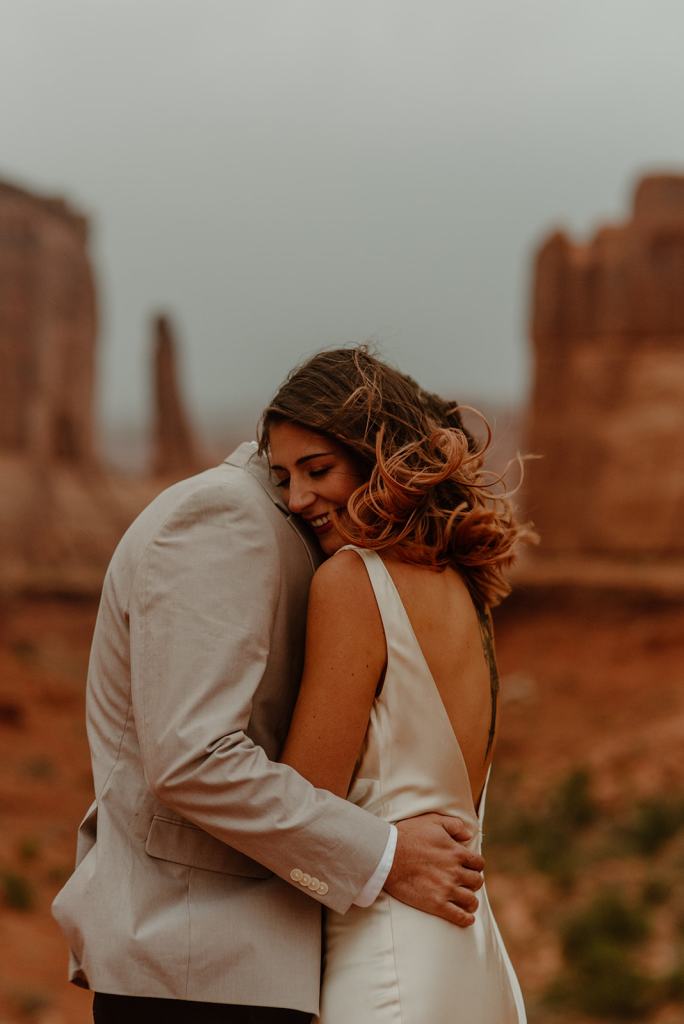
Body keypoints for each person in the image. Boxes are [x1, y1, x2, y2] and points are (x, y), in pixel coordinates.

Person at [52, 396, 486, 1023]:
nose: (306, 497)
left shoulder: (367, 569)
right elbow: (190, 758)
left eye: (322, 471)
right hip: (193, 965)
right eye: (299, 472)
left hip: (268, 967)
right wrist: (383, 854)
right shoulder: (224, 516)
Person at [260, 346, 532, 1023]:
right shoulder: (464, 587)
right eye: (282, 478)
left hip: (387, 966)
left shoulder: (352, 582)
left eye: (317, 470)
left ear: (374, 450)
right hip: (469, 956)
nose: (297, 499)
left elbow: (300, 812)